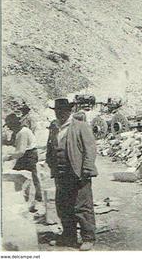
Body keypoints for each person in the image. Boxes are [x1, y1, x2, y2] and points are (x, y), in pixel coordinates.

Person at [45, 98, 98, 251]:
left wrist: (87, 169)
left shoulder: (80, 126)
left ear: (69, 111)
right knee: (64, 206)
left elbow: (90, 149)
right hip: (61, 174)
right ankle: (69, 236)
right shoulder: (54, 128)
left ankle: (88, 238)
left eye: (63, 111)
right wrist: (51, 164)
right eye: (57, 111)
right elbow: (50, 148)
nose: (60, 114)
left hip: (78, 173)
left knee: (82, 206)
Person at [2, 113, 42, 211]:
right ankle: (31, 198)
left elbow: (20, 151)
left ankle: (34, 201)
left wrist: (7, 158)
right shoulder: (20, 131)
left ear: (15, 125)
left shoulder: (22, 133)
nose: (10, 129)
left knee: (29, 177)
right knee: (26, 177)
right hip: (26, 155)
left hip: (29, 156)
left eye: (10, 126)